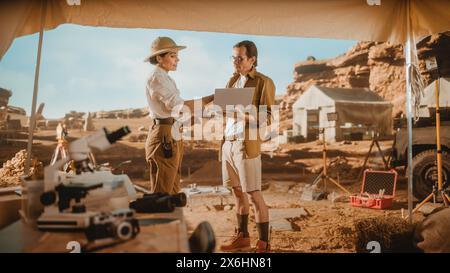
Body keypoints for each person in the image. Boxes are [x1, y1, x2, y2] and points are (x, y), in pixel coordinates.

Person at [219, 40, 275, 253]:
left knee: (253, 194)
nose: (236, 62)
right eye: (233, 58)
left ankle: (264, 244)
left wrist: (241, 114)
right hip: (228, 143)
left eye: (240, 58)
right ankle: (242, 237)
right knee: (237, 192)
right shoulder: (232, 80)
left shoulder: (263, 82)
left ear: (252, 59)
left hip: (245, 144)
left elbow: (268, 117)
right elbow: (226, 110)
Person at [144, 36, 213, 194]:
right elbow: (178, 106)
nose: (178, 60)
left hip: (170, 131)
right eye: (173, 56)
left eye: (177, 56)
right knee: (164, 192)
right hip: (164, 134)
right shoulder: (157, 78)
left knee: (172, 188)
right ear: (159, 58)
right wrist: (211, 98)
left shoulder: (165, 78)